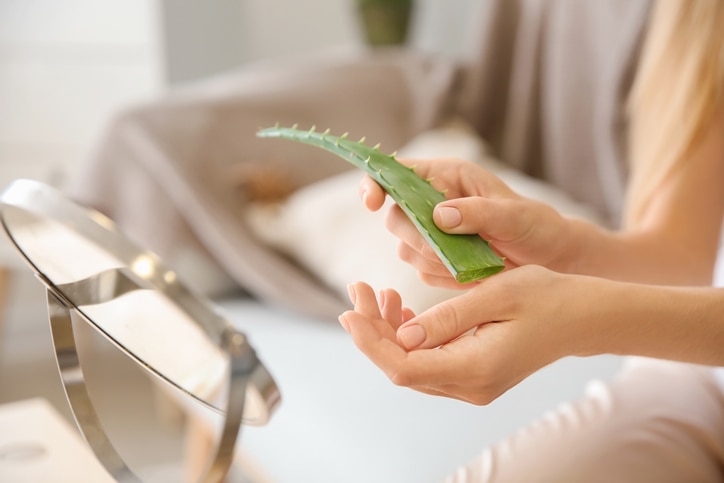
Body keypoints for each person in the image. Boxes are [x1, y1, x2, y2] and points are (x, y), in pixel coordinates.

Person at [339, 1, 724, 481]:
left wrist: (587, 319)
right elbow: (687, 265)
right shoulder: (699, 16)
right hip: (697, 380)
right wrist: (562, 248)